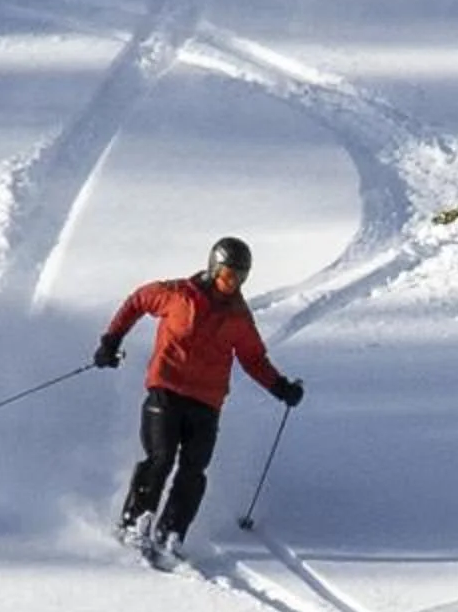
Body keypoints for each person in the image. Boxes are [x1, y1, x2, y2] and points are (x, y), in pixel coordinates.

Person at [94, 234, 302, 552]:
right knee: (161, 458)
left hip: (206, 402)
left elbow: (253, 359)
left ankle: (172, 532)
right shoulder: (177, 295)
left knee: (193, 470)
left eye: (241, 277)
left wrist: (280, 387)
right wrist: (111, 341)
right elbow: (137, 301)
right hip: (167, 389)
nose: (233, 283)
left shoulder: (238, 316)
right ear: (213, 269)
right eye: (229, 275)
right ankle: (134, 522)